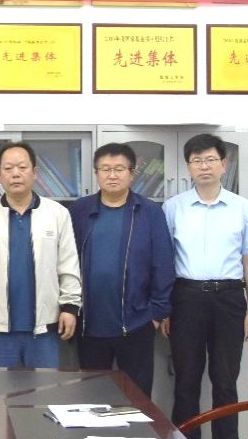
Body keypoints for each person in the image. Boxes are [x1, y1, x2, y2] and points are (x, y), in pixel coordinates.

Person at [163, 133, 248, 439]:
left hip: (229, 299)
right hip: (186, 299)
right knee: (186, 380)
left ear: (224, 164)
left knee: (225, 381)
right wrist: (164, 309)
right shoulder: (173, 208)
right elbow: (163, 261)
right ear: (188, 167)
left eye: (210, 159)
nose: (204, 166)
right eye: (197, 161)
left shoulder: (242, 208)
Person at [67, 142, 175, 398]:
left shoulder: (149, 212)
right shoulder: (79, 210)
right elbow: (65, 260)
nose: (112, 175)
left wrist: (156, 313)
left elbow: (163, 263)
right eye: (105, 169)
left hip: (137, 323)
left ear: (131, 173)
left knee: (137, 397)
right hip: (89, 324)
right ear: (96, 173)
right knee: (93, 397)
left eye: (119, 169)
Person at [0, 142, 80, 367]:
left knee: (45, 388)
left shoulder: (58, 214)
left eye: (22, 167)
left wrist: (70, 307)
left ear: (34, 173)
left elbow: (68, 265)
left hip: (45, 328)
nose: (15, 174)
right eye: (8, 168)